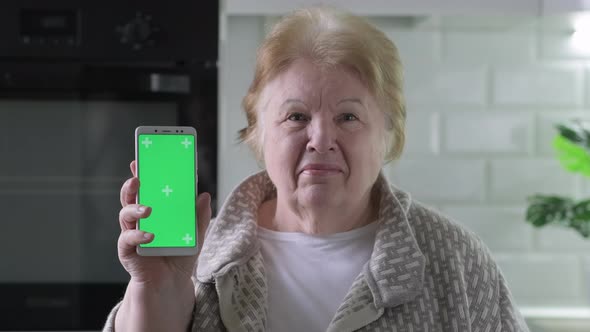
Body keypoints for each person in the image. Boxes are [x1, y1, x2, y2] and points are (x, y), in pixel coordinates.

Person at [104, 6, 530, 332]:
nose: (321, 139)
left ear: (389, 133)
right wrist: (155, 289)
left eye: (348, 117)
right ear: (258, 134)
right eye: (296, 117)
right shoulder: (191, 260)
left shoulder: (455, 260)